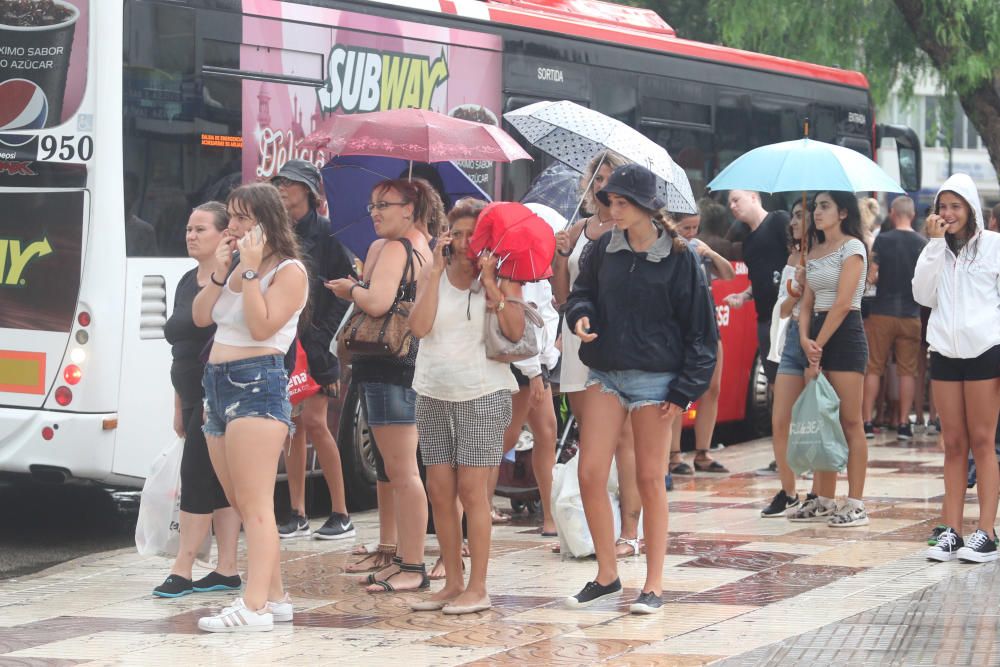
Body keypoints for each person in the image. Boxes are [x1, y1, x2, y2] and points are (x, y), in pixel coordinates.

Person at [564, 164, 718, 614]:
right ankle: (607, 576)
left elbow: (701, 333)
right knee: (590, 473)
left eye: (621, 201)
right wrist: (580, 316)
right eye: (609, 200)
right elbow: (581, 293)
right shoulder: (601, 249)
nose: (612, 208)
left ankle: (653, 585)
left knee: (651, 479)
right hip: (606, 372)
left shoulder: (681, 257)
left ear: (647, 207)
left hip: (658, 380)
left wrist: (684, 389)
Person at [192, 182, 309, 632]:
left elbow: (262, 328)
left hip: (257, 382)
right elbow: (202, 316)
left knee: (258, 503)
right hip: (217, 384)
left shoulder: (289, 271)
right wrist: (222, 272)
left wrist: (251, 272)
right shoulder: (237, 264)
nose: (233, 227)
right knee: (240, 500)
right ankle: (276, 597)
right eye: (231, 217)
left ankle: (255, 605)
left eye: (242, 218)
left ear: (266, 221)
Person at [407, 198, 523, 614]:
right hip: (433, 389)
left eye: (470, 233)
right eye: (455, 233)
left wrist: (492, 286)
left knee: (473, 491)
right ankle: (452, 582)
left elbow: (514, 332)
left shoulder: (504, 275)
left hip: (483, 392)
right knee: (440, 490)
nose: (462, 241)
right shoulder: (432, 272)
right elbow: (418, 327)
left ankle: (479, 587)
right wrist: (435, 272)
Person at [326, 178, 438, 592]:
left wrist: (351, 288)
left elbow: (377, 302)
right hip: (402, 366)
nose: (374, 212)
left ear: (409, 208)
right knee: (397, 469)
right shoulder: (418, 247)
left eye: (384, 205)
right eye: (372, 205)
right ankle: (403, 559)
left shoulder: (397, 248)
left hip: (391, 368)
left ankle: (412, 565)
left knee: (402, 471)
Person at [552, 151, 644, 558]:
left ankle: (629, 531)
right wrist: (560, 254)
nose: (605, 187)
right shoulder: (577, 230)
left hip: (618, 342)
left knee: (623, 439)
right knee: (589, 439)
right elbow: (562, 297)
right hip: (576, 341)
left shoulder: (635, 231)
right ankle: (590, 529)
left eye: (611, 178)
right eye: (598, 179)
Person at [153, 202, 242, 598]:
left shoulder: (233, 280)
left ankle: (183, 567)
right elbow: (180, 350)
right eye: (188, 229)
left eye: (200, 229)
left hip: (217, 390)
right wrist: (178, 405)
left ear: (225, 235)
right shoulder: (188, 279)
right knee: (219, 482)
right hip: (189, 390)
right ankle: (227, 569)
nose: (191, 236)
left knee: (196, 476)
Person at [915, 173, 1000, 563]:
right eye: (943, 207)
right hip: (945, 351)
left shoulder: (994, 247)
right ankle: (950, 530)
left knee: (982, 441)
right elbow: (922, 294)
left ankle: (986, 531)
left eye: (956, 206)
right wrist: (933, 246)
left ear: (970, 209)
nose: (948, 214)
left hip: (985, 351)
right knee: (952, 443)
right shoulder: (935, 249)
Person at [270, 160, 357, 541]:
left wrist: (323, 335)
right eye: (280, 182)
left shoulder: (327, 233)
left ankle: (341, 512)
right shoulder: (275, 234)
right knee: (291, 426)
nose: (283, 188)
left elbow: (346, 285)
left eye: (290, 183)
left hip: (317, 345)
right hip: (285, 342)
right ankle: (297, 512)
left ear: (308, 191)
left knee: (317, 423)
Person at [487, 203, 562, 537]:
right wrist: (536, 372)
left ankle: (548, 515)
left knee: (540, 433)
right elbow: (522, 324)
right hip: (523, 366)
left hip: (534, 365)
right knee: (512, 435)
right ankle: (479, 505)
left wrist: (547, 360)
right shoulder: (518, 267)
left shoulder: (538, 267)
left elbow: (544, 317)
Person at [798, 191, 870, 528]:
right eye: (815, 207)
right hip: (816, 335)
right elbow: (807, 303)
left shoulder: (853, 247)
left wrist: (818, 345)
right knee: (821, 418)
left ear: (843, 212)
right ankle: (823, 498)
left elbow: (843, 303)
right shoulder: (812, 251)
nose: (816, 212)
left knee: (849, 421)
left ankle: (855, 502)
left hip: (843, 335)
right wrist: (804, 339)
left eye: (824, 206)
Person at [762, 199, 829, 519]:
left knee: (815, 419)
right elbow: (785, 309)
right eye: (794, 215)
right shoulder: (793, 257)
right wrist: (796, 291)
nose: (794, 221)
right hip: (790, 341)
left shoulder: (829, 253)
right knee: (780, 420)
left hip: (820, 338)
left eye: (802, 215)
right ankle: (788, 491)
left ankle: (817, 491)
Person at [723, 190, 790, 480]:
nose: (733, 207)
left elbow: (796, 260)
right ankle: (781, 456)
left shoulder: (778, 222)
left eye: (737, 200)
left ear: (754, 196)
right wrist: (744, 295)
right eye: (729, 204)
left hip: (788, 317)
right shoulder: (748, 241)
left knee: (794, 388)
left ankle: (802, 453)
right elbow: (759, 280)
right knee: (776, 388)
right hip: (765, 320)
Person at [669, 205, 734, 476]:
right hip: (680, 330)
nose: (692, 233)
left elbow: (728, 274)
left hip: (707, 327)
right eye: (686, 228)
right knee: (676, 392)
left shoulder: (699, 249)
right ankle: (673, 455)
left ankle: (703, 452)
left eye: (696, 228)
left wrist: (710, 252)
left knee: (712, 387)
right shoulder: (670, 252)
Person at [861, 196, 927, 441]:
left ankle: (867, 422)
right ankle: (903, 425)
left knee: (874, 367)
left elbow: (873, 275)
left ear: (892, 213)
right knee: (907, 371)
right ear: (912, 215)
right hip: (911, 314)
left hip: (882, 312)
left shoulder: (883, 239)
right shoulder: (922, 242)